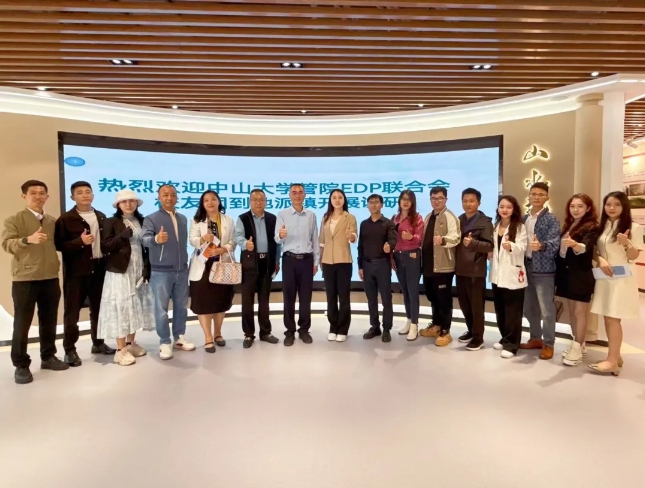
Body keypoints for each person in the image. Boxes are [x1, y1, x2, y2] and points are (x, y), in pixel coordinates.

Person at [2, 180, 68, 384]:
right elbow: (6, 244)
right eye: (33, 193)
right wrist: (26, 240)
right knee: (22, 323)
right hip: (25, 278)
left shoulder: (51, 221)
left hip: (50, 277)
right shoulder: (14, 220)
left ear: (47, 196)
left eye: (42, 193)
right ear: (24, 196)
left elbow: (59, 244)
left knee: (49, 320)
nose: (38, 196)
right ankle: (21, 365)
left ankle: (48, 356)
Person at [55, 181, 115, 368]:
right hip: (76, 272)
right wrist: (80, 242)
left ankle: (98, 343)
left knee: (98, 309)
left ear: (93, 195)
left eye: (88, 191)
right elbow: (59, 245)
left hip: (99, 268)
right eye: (79, 192)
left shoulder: (101, 216)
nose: (84, 195)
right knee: (72, 312)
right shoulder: (66, 219)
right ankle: (69, 350)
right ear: (72, 197)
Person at [97, 189, 155, 367]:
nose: (128, 204)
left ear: (137, 203)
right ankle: (120, 350)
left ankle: (130, 344)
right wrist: (121, 237)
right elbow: (105, 246)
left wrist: (147, 269)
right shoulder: (111, 221)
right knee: (121, 307)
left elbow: (147, 247)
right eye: (124, 201)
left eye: (132, 201)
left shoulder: (142, 221)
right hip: (120, 271)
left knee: (135, 306)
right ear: (118, 205)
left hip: (138, 269)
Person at [588, 191, 643, 376]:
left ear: (624, 206)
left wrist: (627, 243)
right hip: (605, 277)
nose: (612, 208)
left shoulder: (634, 227)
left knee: (613, 318)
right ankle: (615, 356)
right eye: (608, 204)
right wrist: (601, 259)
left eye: (617, 204)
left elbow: (634, 256)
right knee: (607, 316)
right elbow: (596, 250)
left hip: (622, 279)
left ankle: (612, 361)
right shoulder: (603, 227)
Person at [142, 184, 195, 360]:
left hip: (181, 269)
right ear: (159, 198)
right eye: (165, 195)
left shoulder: (183, 218)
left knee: (181, 306)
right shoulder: (151, 219)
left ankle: (179, 337)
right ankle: (164, 341)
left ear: (177, 198)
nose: (169, 198)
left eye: (172, 195)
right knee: (161, 309)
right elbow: (144, 239)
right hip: (161, 271)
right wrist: (156, 239)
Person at [554, 194, 600, 366]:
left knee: (580, 313)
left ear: (588, 208)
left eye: (580, 206)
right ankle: (579, 345)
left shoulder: (592, 227)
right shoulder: (569, 224)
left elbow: (585, 247)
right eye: (573, 206)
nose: (576, 209)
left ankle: (577, 347)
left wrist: (574, 245)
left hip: (581, 275)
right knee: (573, 312)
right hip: (567, 274)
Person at [188, 190, 236, 353]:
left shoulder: (228, 220)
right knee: (204, 303)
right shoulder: (196, 221)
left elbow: (233, 241)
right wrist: (202, 239)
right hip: (203, 265)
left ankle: (218, 333)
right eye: (206, 200)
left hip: (222, 263)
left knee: (220, 300)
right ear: (202, 204)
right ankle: (208, 337)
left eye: (213, 199)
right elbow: (192, 240)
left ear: (219, 201)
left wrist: (223, 249)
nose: (210, 202)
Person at [234, 189, 281, 348]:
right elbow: (237, 236)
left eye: (261, 199)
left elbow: (277, 242)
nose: (258, 202)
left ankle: (265, 332)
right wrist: (245, 244)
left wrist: (277, 260)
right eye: (255, 199)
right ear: (250, 202)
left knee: (264, 300)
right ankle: (248, 334)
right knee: (247, 301)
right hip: (249, 264)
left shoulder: (272, 219)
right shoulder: (243, 218)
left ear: (266, 201)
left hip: (267, 263)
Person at [519, 182, 561, 360]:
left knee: (546, 310)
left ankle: (549, 344)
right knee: (529, 308)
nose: (536, 197)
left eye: (541, 194)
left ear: (547, 197)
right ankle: (535, 338)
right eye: (533, 194)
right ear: (529, 196)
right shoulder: (523, 219)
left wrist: (541, 246)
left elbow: (555, 244)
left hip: (544, 270)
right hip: (525, 267)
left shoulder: (551, 219)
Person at [275, 183, 319, 347]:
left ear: (305, 195)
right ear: (289, 195)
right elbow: (277, 239)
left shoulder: (311, 215)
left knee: (306, 297)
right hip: (289, 260)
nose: (297, 195)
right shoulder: (282, 214)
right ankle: (289, 331)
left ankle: (304, 329)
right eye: (294, 192)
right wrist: (281, 235)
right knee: (289, 297)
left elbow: (315, 239)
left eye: (300, 192)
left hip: (307, 260)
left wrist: (316, 262)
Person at [419, 187, 461, 347]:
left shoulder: (450, 216)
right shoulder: (428, 216)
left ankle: (445, 330)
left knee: (443, 299)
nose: (436, 201)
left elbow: (456, 237)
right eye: (433, 198)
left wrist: (443, 240)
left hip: (443, 266)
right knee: (432, 297)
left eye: (440, 198)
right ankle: (436, 325)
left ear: (446, 199)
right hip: (428, 265)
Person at [454, 188, 494, 351]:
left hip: (476, 269)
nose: (468, 204)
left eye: (471, 201)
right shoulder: (459, 220)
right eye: (465, 201)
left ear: (479, 203)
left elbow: (489, 246)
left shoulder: (485, 222)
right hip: (460, 268)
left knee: (476, 305)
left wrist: (473, 243)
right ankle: (471, 331)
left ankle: (478, 338)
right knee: (464, 303)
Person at [489, 196, 528, 359]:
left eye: (508, 207)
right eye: (501, 206)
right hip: (498, 274)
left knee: (513, 312)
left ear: (514, 209)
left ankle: (512, 345)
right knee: (500, 309)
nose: (504, 210)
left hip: (513, 275)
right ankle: (505, 338)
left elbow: (523, 247)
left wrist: (510, 246)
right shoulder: (496, 226)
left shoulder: (519, 227)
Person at [319, 189, 358, 342]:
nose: (337, 200)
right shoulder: (325, 217)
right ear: (330, 200)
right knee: (330, 297)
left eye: (340, 197)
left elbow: (354, 237)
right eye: (334, 197)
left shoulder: (350, 217)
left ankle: (343, 328)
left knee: (343, 297)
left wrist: (351, 237)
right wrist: (320, 260)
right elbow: (322, 241)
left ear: (344, 200)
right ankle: (332, 327)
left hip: (344, 261)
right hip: (327, 261)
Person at [359, 194, 398, 343]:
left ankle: (386, 328)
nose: (374, 205)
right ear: (367, 205)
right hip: (367, 265)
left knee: (386, 298)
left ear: (381, 205)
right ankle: (375, 326)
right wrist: (360, 266)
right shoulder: (364, 224)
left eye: (376, 202)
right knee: (371, 299)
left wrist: (390, 246)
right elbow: (361, 246)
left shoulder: (388, 223)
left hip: (382, 265)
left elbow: (393, 239)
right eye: (371, 202)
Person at [391, 189, 425, 341]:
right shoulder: (395, 218)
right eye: (403, 199)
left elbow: (420, 238)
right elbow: (391, 239)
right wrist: (391, 256)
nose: (405, 202)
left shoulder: (417, 218)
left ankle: (415, 325)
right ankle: (409, 320)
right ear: (399, 201)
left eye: (408, 199)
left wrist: (411, 237)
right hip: (398, 256)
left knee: (413, 291)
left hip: (412, 256)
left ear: (412, 202)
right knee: (405, 291)